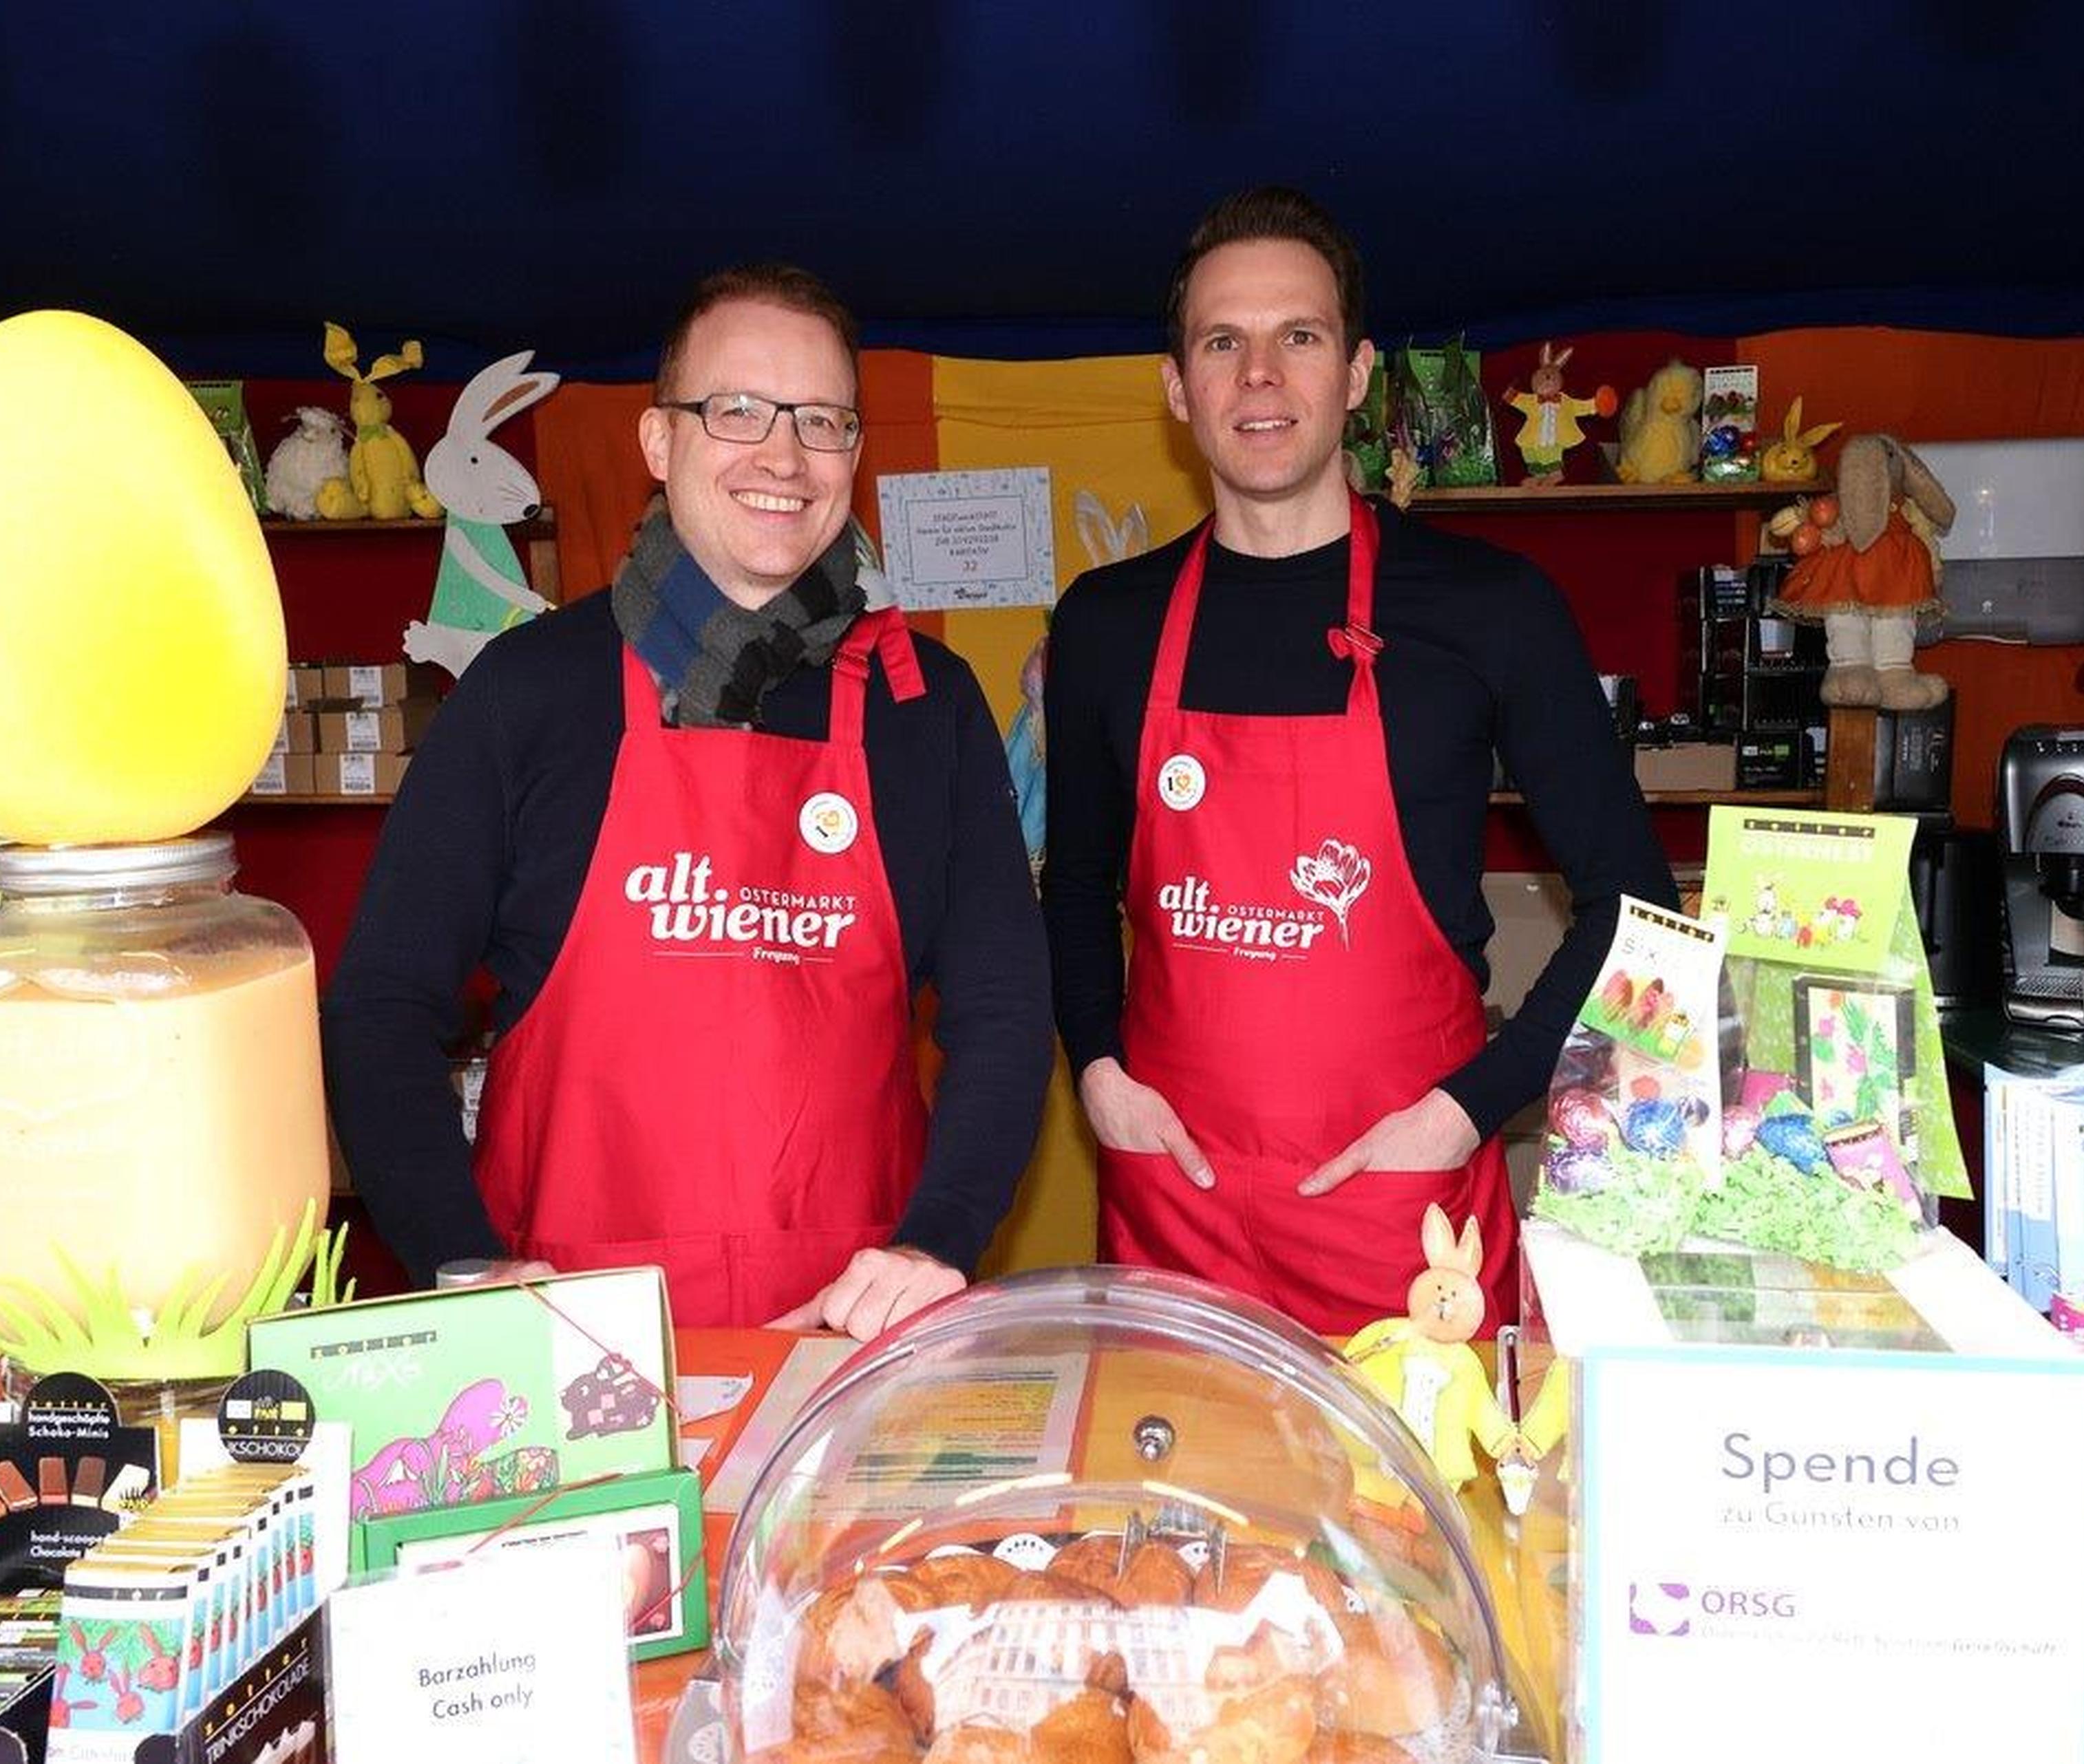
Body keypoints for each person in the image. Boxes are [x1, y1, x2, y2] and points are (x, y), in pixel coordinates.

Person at [326, 265, 1052, 1341]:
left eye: (822, 420)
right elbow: (380, 1004)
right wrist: (461, 1261)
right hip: (567, 1339)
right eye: (738, 411)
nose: (784, 455)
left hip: (849, 1338)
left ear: (855, 453)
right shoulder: (528, 692)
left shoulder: (923, 705)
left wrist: (936, 1243)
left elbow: (1005, 1008)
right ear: (659, 443)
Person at [1041, 189, 1677, 1335]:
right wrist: (1099, 1075)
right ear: (1178, 387)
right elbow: (1073, 883)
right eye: (1222, 342)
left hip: (1403, 1216)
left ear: (1359, 373)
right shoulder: (1106, 622)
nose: (1261, 375)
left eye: (1302, 336)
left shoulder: (1492, 609)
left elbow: (1641, 911)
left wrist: (1471, 1110)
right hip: (1172, 1214)